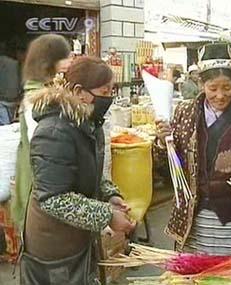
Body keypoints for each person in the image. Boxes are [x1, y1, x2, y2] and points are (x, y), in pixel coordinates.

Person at [20, 57, 135, 284]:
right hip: (54, 246)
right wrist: (107, 215)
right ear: (79, 91)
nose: (110, 98)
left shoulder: (89, 122)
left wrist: (110, 195)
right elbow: (53, 199)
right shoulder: (53, 131)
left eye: (113, 90)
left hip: (78, 235)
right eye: (104, 91)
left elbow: (88, 170)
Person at [155, 43, 231, 255]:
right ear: (201, 83)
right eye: (212, 88)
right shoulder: (185, 113)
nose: (220, 95)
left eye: (227, 87)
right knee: (198, 274)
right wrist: (162, 143)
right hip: (195, 216)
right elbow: (171, 169)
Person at [12, 34, 73, 231]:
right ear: (48, 62)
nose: (70, 61)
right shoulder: (35, 97)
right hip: (38, 179)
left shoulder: (48, 89)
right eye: (65, 57)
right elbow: (41, 143)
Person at [0, 42, 20, 125]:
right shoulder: (16, 64)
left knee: (6, 126)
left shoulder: (13, 64)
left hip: (4, 99)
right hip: (13, 99)